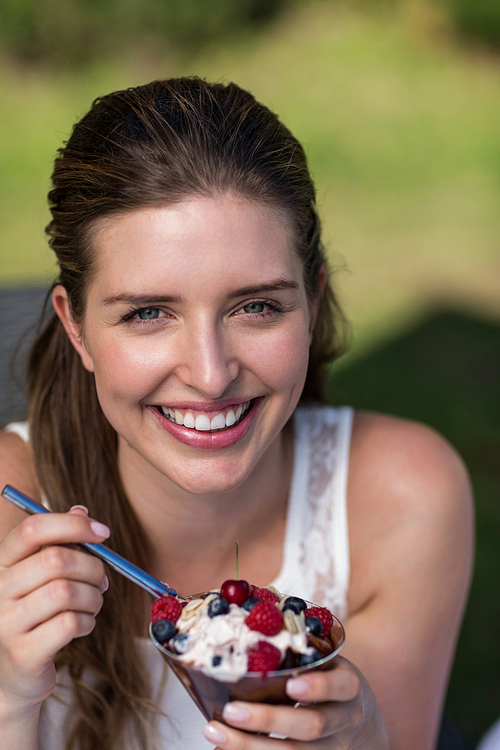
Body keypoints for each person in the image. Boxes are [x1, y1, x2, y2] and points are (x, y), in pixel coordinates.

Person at [0, 77, 473, 750]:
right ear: (76, 328)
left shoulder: (403, 497)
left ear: (311, 305)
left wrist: (368, 738)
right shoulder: (7, 513)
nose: (211, 373)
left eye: (256, 307)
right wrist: (8, 701)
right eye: (148, 314)